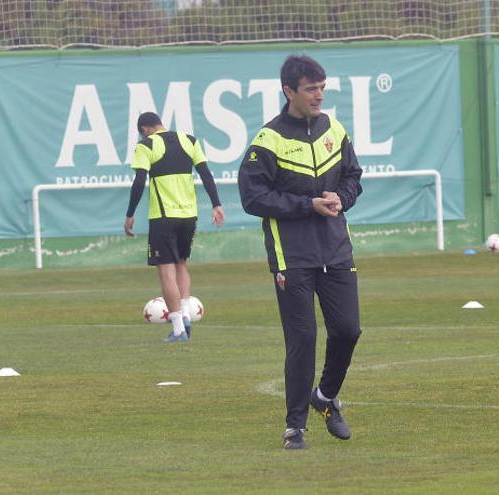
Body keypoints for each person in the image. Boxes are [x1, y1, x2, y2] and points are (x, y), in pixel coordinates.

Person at [238, 55, 363, 450]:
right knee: (303, 337)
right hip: (290, 255)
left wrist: (340, 198)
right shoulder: (267, 140)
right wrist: (307, 204)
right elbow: (252, 196)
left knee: (348, 330)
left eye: (322, 88)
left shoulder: (334, 129)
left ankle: (324, 397)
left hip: (336, 248)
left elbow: (353, 177)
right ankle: (296, 427)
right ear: (288, 91)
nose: (318, 95)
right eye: (311, 89)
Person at [125, 112, 225, 343]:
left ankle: (179, 329)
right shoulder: (189, 140)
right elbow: (206, 174)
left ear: (145, 129)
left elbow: (140, 181)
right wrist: (216, 204)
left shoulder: (146, 144)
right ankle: (186, 318)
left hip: (163, 216)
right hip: (189, 215)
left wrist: (130, 214)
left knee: (165, 271)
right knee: (182, 264)